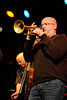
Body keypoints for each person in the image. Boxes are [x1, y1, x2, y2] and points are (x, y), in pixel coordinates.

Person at [24, 17, 67, 100]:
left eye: (46, 24)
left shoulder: (61, 38)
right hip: (36, 85)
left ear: (55, 26)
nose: (43, 26)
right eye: (42, 24)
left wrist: (43, 36)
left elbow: (56, 54)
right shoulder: (39, 44)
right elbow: (28, 58)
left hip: (53, 83)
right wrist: (29, 39)